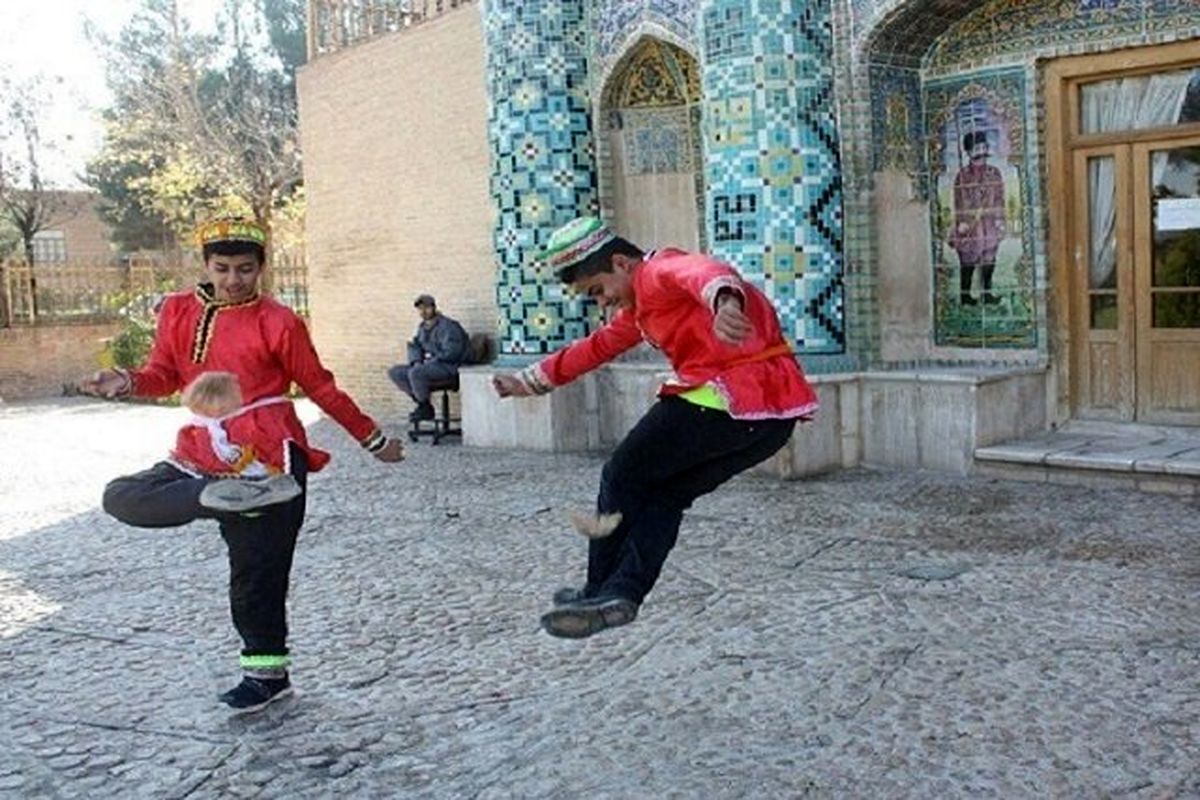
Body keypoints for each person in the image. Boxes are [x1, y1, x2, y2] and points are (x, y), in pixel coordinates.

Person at [78, 216, 404, 714]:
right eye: (223, 268)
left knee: (256, 575)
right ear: (205, 265)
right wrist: (125, 381)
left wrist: (373, 438)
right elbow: (164, 374)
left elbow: (320, 386)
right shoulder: (177, 311)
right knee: (120, 495)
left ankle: (267, 678)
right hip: (202, 453)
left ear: (261, 269)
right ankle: (210, 498)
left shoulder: (279, 321)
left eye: (246, 270)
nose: (234, 280)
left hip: (268, 459)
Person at [492, 216, 818, 639]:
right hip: (771, 422)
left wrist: (725, 301)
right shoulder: (640, 312)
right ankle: (623, 593)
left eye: (598, 289)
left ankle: (598, 588)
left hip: (722, 401)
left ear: (622, 263)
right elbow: (595, 347)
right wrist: (529, 381)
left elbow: (703, 272)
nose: (603, 302)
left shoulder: (657, 272)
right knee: (666, 497)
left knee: (621, 474)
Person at [174, 371, 303, 512]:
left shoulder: (247, 419)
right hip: (230, 479)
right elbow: (190, 458)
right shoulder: (196, 429)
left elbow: (275, 446)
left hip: (257, 475)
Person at [387, 293, 470, 422]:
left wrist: (430, 362)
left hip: (451, 366)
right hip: (432, 366)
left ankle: (424, 407)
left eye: (426, 308)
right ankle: (423, 403)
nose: (423, 312)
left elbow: (453, 352)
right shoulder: (423, 327)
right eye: (420, 309)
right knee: (396, 372)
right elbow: (415, 345)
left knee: (417, 373)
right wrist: (416, 361)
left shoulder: (448, 326)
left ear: (434, 307)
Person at [949, 130, 1007, 306]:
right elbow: (959, 201)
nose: (981, 151)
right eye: (976, 148)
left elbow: (999, 197)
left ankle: (986, 293)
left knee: (989, 258)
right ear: (969, 152)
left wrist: (998, 218)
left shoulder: (994, 173)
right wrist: (963, 221)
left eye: (983, 147)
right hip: (970, 224)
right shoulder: (962, 176)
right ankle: (965, 296)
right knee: (968, 260)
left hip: (988, 223)